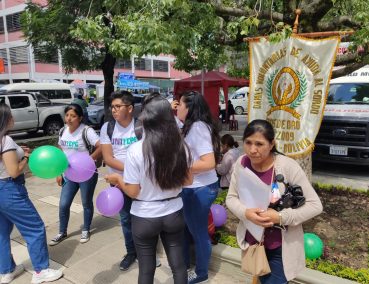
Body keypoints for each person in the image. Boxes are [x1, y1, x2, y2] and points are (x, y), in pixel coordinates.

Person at [105, 92, 192, 284]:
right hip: (174, 213)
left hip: (144, 215)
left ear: (146, 118)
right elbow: (188, 181)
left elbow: (133, 191)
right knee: (178, 265)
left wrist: (118, 181)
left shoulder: (136, 149)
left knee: (146, 268)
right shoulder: (181, 146)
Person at [226, 119, 323, 284]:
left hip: (280, 248)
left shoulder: (287, 167)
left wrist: (280, 217)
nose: (252, 150)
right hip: (253, 242)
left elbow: (315, 206)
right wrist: (246, 213)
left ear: (272, 144)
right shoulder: (241, 164)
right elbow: (231, 198)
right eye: (248, 142)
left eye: (259, 144)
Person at [0, 104, 63, 284]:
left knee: (2, 233)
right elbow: (13, 171)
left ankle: (6, 271)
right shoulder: (6, 141)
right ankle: (41, 270)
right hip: (10, 189)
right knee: (34, 228)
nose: (13, 118)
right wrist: (25, 157)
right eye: (9, 115)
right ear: (4, 119)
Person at [100, 90, 160, 271]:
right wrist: (132, 172)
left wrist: (136, 174)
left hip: (142, 182)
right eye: (112, 107)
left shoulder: (142, 127)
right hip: (118, 182)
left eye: (118, 106)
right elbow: (108, 158)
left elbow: (150, 154)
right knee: (126, 219)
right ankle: (131, 253)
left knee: (145, 219)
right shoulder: (107, 128)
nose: (114, 110)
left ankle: (148, 254)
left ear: (130, 108)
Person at [174, 91, 220, 284]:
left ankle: (201, 273)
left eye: (180, 105)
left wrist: (182, 169)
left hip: (199, 188)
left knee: (199, 232)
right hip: (193, 186)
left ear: (189, 108)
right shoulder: (190, 126)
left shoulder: (198, 128)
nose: (177, 107)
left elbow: (209, 162)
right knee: (188, 228)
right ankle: (185, 265)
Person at [49, 104, 101, 246]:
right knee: (64, 204)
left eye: (73, 116)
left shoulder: (86, 131)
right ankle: (62, 231)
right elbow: (60, 151)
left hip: (86, 174)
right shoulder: (62, 131)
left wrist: (87, 161)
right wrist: (59, 171)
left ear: (80, 118)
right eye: (67, 115)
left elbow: (101, 146)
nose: (69, 119)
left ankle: (86, 229)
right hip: (68, 174)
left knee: (86, 203)